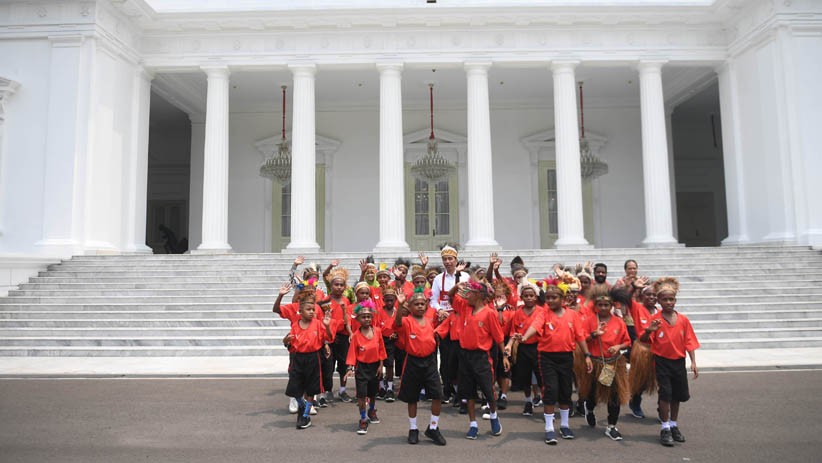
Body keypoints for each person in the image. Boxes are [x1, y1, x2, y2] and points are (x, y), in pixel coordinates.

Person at [517, 278, 593, 446]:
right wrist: (524, 337)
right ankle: (549, 428)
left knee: (565, 391)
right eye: (548, 298)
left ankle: (565, 426)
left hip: (566, 357)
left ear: (562, 299)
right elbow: (535, 327)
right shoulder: (544, 313)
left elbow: (580, 336)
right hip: (547, 358)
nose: (550, 301)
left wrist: (587, 355)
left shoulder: (572, 315)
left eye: (554, 298)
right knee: (551, 390)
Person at [639, 277, 700, 447]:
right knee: (665, 394)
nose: (668, 302)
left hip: (679, 362)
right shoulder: (656, 320)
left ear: (675, 300)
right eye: (664, 299)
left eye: (671, 299)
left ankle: (674, 425)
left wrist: (693, 362)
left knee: (677, 396)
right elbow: (643, 340)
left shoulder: (683, 320)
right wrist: (648, 330)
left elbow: (689, 341)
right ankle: (664, 427)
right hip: (661, 362)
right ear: (658, 301)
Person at [445, 280, 507, 440]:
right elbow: (450, 296)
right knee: (468, 392)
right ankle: (473, 424)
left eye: (470, 292)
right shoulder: (465, 307)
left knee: (488, 390)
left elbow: (499, 337)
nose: (466, 295)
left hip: (481, 357)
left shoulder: (489, 313)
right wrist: (457, 287)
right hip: (465, 355)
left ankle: (493, 416)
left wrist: (505, 356)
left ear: (479, 295)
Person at [395, 289, 447, 446]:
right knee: (412, 397)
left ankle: (433, 427)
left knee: (437, 394)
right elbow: (397, 323)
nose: (419, 306)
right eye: (416, 304)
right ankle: (413, 428)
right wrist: (399, 304)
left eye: (422, 304)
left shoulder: (431, 319)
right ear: (410, 307)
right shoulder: (407, 320)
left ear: (426, 305)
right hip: (413, 362)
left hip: (430, 362)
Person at [579, 285, 632, 441]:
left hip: (613, 364)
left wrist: (618, 346)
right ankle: (589, 409)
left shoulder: (619, 322)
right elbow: (581, 340)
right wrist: (594, 334)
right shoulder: (589, 321)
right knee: (592, 395)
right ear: (595, 305)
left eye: (606, 305)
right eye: (600, 305)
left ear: (611, 306)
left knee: (614, 396)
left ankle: (611, 426)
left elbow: (627, 342)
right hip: (594, 364)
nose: (603, 307)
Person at [282, 297, 335, 430]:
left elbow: (328, 338)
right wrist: (285, 340)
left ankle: (305, 415)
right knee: (295, 388)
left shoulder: (318, 323)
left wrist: (327, 326)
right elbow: (289, 344)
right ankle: (301, 404)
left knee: (311, 388)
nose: (312, 312)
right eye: (308, 309)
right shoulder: (295, 325)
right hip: (298, 358)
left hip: (313, 358)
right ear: (300, 311)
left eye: (313, 310)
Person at [345, 300, 387, 435]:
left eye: (369, 316)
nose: (367, 319)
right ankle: (363, 419)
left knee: (373, 393)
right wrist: (350, 368)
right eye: (363, 317)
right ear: (358, 319)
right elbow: (352, 353)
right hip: (362, 368)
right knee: (362, 396)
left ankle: (372, 410)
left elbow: (381, 349)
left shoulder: (378, 331)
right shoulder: (356, 336)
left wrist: (381, 366)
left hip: (375, 367)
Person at [503, 281, 544, 416]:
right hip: (523, 349)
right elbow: (513, 333)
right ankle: (528, 401)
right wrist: (508, 346)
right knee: (525, 378)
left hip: (538, 348)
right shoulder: (517, 313)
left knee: (541, 377)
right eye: (526, 295)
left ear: (536, 297)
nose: (529, 298)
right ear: (521, 297)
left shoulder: (541, 312)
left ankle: (546, 404)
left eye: (531, 295)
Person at [321, 266, 354, 403]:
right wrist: (325, 341)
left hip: (344, 337)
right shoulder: (325, 301)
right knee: (328, 365)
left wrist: (351, 333)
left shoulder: (346, 301)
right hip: (330, 338)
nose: (339, 287)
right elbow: (322, 322)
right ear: (331, 285)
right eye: (336, 284)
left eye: (341, 285)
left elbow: (347, 320)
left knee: (343, 365)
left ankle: (342, 390)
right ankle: (327, 391)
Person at [628, 284, 659, 419]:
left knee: (660, 381)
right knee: (641, 381)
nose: (651, 297)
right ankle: (635, 402)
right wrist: (634, 287)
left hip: (658, 350)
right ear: (642, 296)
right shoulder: (637, 308)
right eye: (648, 294)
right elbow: (626, 299)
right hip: (642, 349)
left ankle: (662, 410)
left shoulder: (660, 312)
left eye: (654, 295)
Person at [376, 286, 400, 402]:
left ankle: (390, 388)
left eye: (392, 300)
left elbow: (400, 324)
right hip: (381, 340)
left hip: (392, 341)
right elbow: (376, 327)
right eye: (387, 300)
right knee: (379, 363)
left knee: (390, 364)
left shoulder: (397, 311)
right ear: (383, 300)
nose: (389, 302)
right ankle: (381, 387)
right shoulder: (379, 312)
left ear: (395, 300)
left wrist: (395, 333)